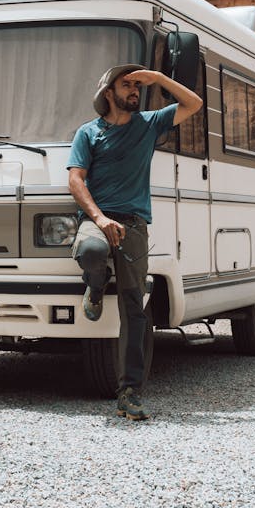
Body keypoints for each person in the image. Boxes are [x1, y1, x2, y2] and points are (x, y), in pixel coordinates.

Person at [68, 64, 203, 421]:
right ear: (107, 93)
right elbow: (76, 180)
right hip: (97, 221)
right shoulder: (88, 133)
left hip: (134, 226)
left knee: (134, 309)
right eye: (125, 85)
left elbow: (194, 104)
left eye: (136, 85)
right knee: (92, 251)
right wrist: (99, 218)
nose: (134, 90)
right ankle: (95, 287)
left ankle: (129, 392)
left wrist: (158, 79)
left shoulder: (148, 124)